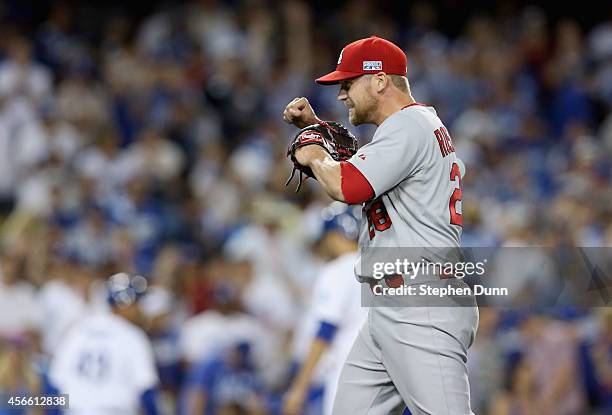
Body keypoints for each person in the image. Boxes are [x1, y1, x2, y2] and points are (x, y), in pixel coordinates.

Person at [283, 36, 478, 414]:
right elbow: (368, 170)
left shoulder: (410, 126)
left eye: (347, 82)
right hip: (391, 305)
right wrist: (318, 127)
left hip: (421, 303)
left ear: (379, 80)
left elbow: (346, 184)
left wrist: (313, 152)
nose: (341, 95)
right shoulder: (415, 126)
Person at [283, 202, 368, 415]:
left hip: (350, 374)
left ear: (334, 237)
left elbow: (325, 330)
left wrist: (300, 387)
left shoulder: (337, 270)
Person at [49, 273, 161, 415]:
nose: (140, 310)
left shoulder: (77, 331)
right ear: (123, 304)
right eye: (136, 304)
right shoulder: (133, 336)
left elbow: (54, 384)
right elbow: (146, 391)